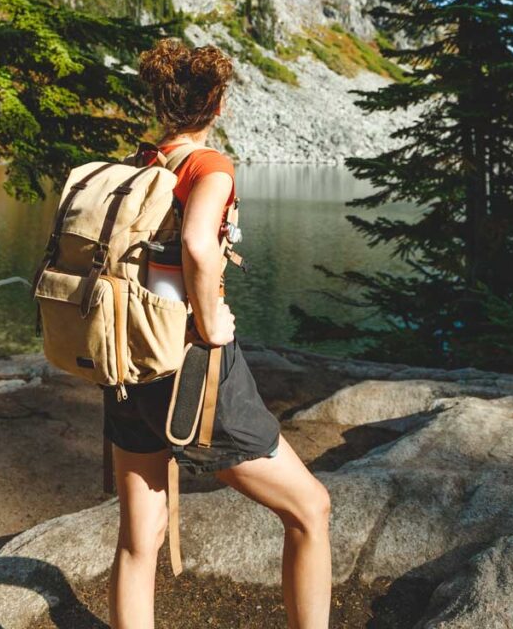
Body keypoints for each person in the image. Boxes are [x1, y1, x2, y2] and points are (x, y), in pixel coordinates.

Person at [103, 37, 332, 629]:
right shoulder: (209, 165)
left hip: (129, 361)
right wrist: (213, 325)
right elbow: (199, 248)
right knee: (311, 508)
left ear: (158, 101)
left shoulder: (140, 164)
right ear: (218, 105)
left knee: (139, 539)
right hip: (190, 365)